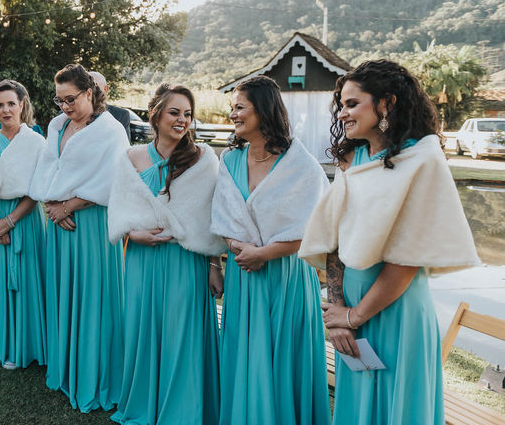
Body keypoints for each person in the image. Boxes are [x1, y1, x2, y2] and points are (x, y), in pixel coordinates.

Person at [299, 60, 480, 425]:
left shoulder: (422, 159)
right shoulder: (353, 158)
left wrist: (355, 316)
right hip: (350, 312)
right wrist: (338, 313)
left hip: (396, 311)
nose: (342, 113)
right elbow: (333, 239)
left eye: (353, 103)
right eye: (341, 104)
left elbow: (408, 258)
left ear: (386, 104)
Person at [210, 76, 331, 425]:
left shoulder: (300, 164)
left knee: (283, 354)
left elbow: (315, 228)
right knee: (246, 351)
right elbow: (223, 217)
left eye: (239, 107)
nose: (233, 114)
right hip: (244, 272)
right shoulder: (230, 160)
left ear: (263, 110)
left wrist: (263, 254)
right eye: (233, 107)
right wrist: (239, 249)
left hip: (286, 274)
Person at [107, 84, 223, 425]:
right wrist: (133, 234)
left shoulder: (203, 159)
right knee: (143, 330)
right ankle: (144, 404)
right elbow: (118, 210)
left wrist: (214, 264)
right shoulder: (130, 158)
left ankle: (184, 410)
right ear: (155, 115)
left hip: (185, 260)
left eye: (187, 114)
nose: (182, 120)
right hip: (142, 260)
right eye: (174, 112)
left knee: (181, 333)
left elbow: (211, 218)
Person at [28, 63, 128, 413]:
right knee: (64, 293)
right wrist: (50, 204)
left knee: (93, 296)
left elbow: (113, 180)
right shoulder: (57, 125)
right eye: (59, 100)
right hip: (59, 225)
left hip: (91, 224)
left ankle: (95, 373)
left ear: (89, 93)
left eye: (71, 99)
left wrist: (68, 206)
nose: (65, 106)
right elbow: (47, 170)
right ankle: (67, 367)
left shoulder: (110, 130)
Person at [0, 79, 47, 370]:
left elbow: (38, 188)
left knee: (26, 281)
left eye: (11, 104)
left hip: (25, 218)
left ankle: (23, 346)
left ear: (22, 105)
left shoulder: (36, 142)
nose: (5, 110)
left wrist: (11, 221)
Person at [89, 71, 131, 140]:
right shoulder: (73, 114)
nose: (90, 92)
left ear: (106, 89)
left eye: (94, 86)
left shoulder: (121, 115)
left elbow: (124, 145)